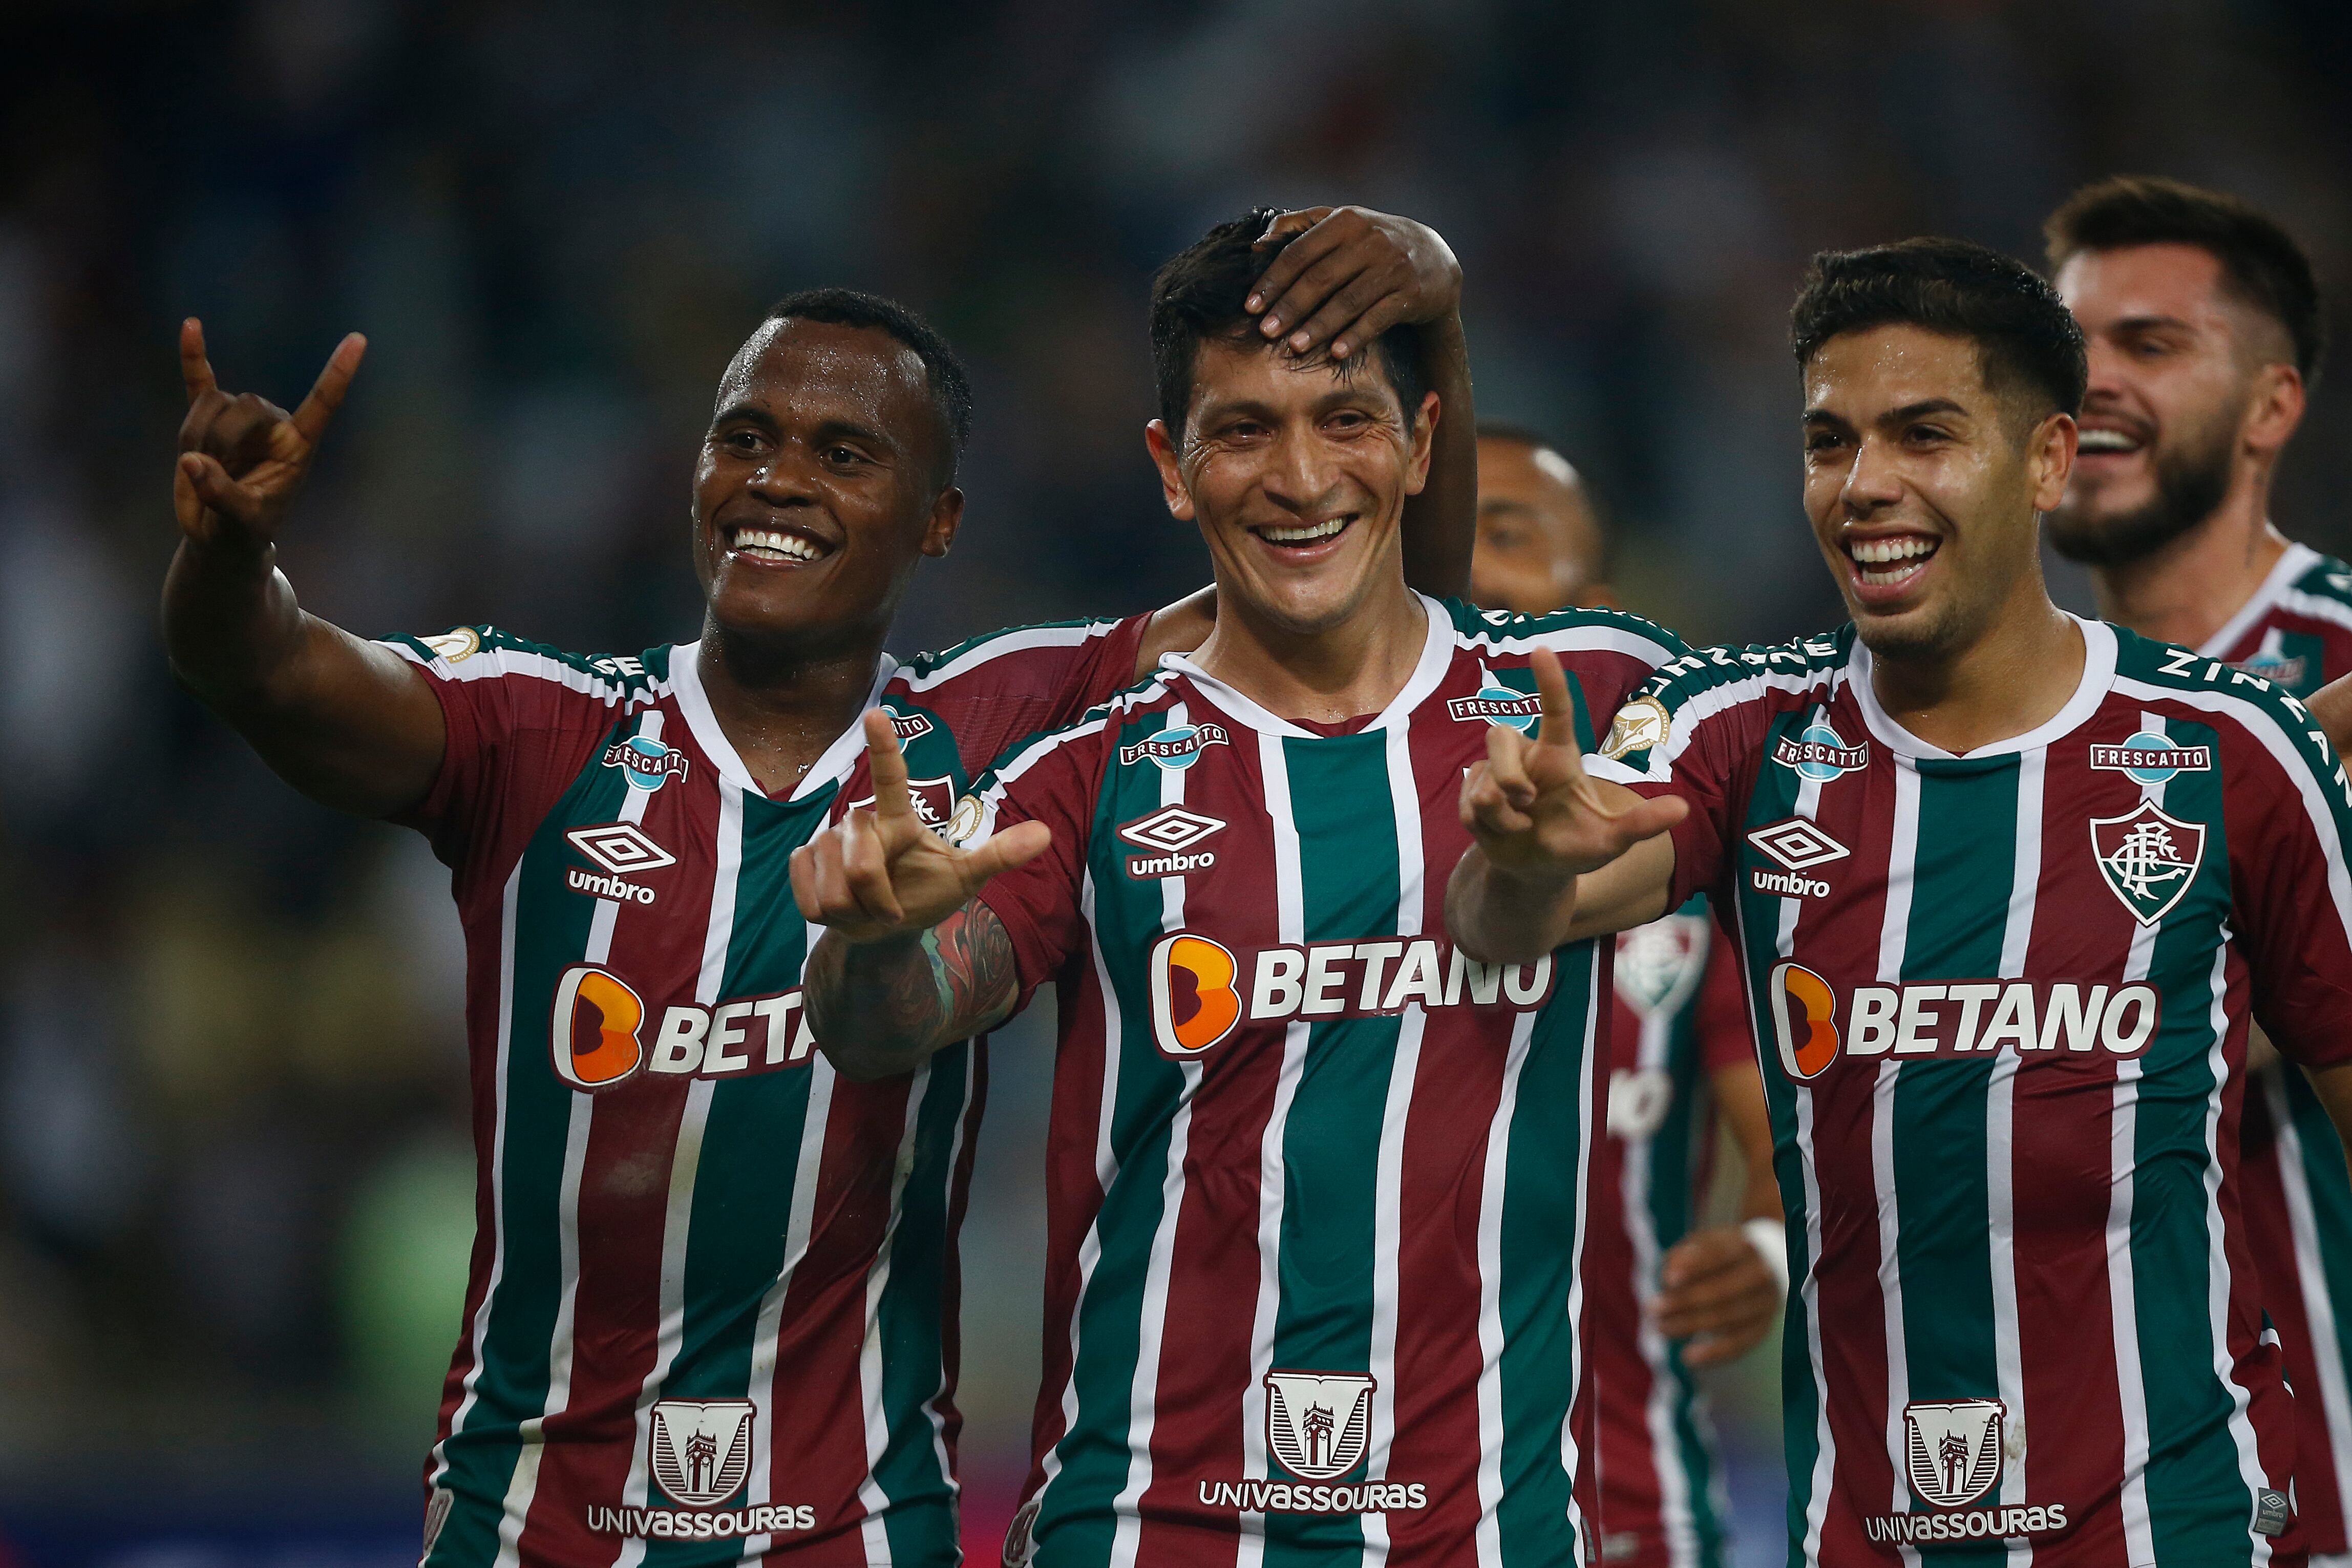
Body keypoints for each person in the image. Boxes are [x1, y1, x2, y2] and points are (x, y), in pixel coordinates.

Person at [161, 207, 1475, 1568]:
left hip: (857, 1527)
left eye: (843, 454)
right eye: (745, 438)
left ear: (938, 520)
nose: (777, 479)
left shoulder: (1013, 723)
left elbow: (1379, 634)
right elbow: (265, 669)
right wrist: (226, 556)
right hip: (531, 1527)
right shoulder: (540, 732)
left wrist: (1433, 308)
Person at [790, 212, 1688, 1567]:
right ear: (1172, 467)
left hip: (1483, 1534)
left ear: (1421, 443)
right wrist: (866, 946)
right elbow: (896, 1012)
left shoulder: (1586, 701)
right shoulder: (1088, 767)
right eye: (1245, 429)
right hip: (1144, 1527)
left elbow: (1880, 746)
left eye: (1345, 418)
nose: (1301, 474)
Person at [1449, 237, 2352, 1564]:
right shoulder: (1740, 728)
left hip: (2186, 1524)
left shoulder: (2231, 751)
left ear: (2048, 457)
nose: (1865, 485)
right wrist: (1521, 861)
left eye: (1923, 434)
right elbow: (1509, 919)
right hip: (1863, 1531)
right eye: (1830, 441)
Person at [2042, 174, 2352, 1567]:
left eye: (2150, 345)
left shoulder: (2339, 658)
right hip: (2086, 1483)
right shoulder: (2008, 714)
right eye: (2071, 348)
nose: (2091, 382)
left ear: (2273, 405)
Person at [1473, 424, 1781, 1567]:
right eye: (1435, 546)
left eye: (1505, 535)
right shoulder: (1319, 863)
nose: (1467, 574)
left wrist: (1761, 1246)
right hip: (1361, 1496)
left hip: (1627, 1505)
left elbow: (1784, 1142)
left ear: (1590, 603)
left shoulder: (1688, 893)